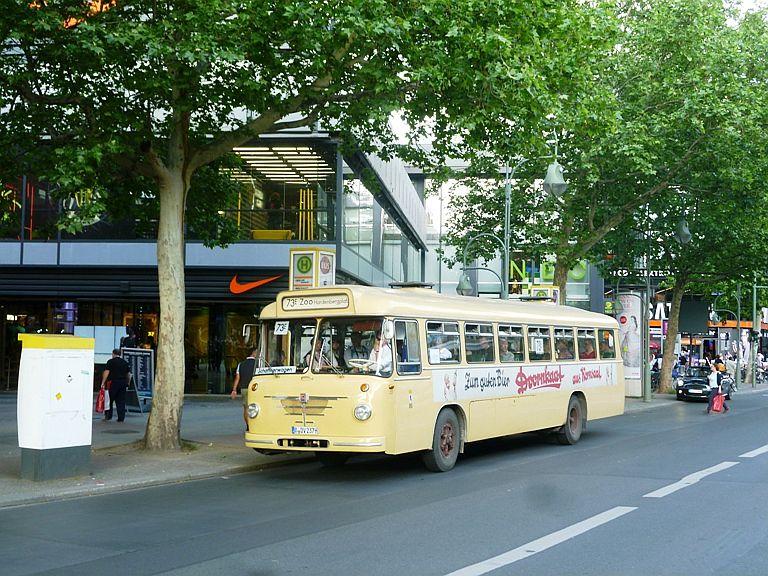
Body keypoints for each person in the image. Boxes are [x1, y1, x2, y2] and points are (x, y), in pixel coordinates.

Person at [101, 348, 132, 422]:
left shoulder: (110, 362)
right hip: (122, 383)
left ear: (113, 354)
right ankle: (121, 418)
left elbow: (107, 372)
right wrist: (128, 382)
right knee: (121, 401)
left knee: (109, 400)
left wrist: (103, 382)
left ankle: (108, 416)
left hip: (113, 382)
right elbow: (129, 374)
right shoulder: (124, 362)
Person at [231, 346, 258, 427]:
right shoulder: (258, 364)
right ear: (253, 353)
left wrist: (234, 390)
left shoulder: (241, 364)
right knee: (255, 407)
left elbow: (237, 378)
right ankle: (254, 425)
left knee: (246, 408)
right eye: (257, 352)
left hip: (244, 388)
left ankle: (248, 425)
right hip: (255, 389)